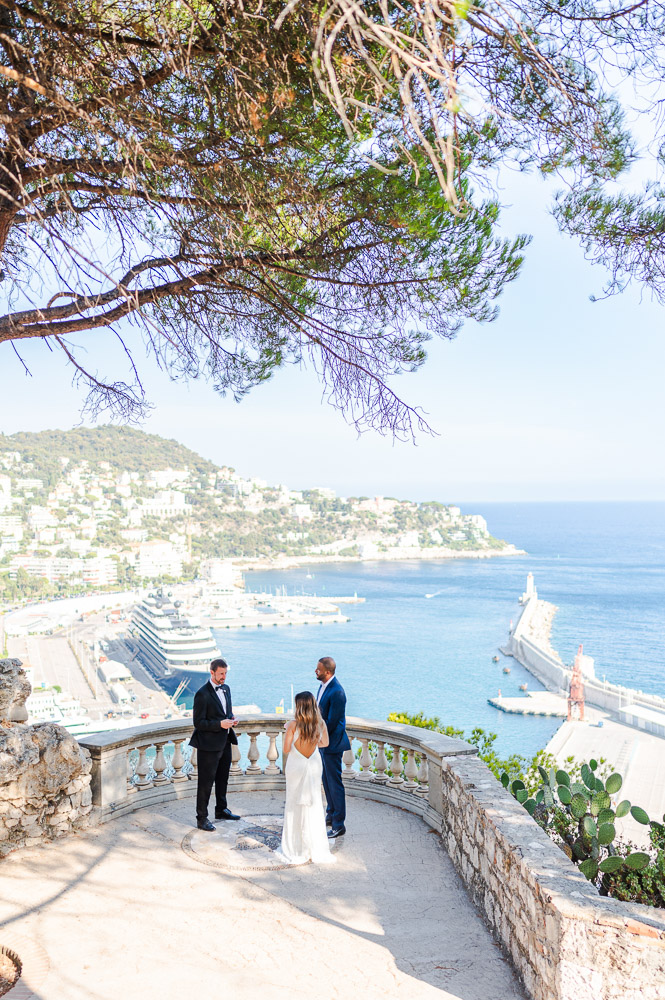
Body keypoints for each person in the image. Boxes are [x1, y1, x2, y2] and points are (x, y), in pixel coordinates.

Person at [280, 691, 335, 865]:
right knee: (314, 803)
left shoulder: (293, 726)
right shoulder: (321, 724)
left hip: (296, 766)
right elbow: (325, 744)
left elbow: (286, 749)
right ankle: (313, 844)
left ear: (299, 707)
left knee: (293, 804)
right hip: (313, 764)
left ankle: (296, 846)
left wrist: (289, 728)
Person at [189, 658, 241, 831]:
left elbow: (226, 712)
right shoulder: (202, 694)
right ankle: (201, 818)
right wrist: (219, 724)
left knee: (222, 779)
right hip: (208, 746)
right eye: (221, 674)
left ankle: (221, 809)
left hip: (225, 741)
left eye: (225, 673)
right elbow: (198, 723)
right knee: (205, 783)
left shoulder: (226, 689)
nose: (224, 677)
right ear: (212, 672)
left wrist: (232, 719)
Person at [315, 656, 350, 839]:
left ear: (327, 672)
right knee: (326, 781)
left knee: (335, 784)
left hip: (332, 744)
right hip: (323, 743)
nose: (316, 671)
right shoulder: (323, 686)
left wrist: (313, 734)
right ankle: (330, 813)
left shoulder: (337, 692)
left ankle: (339, 824)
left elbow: (332, 722)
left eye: (318, 669)